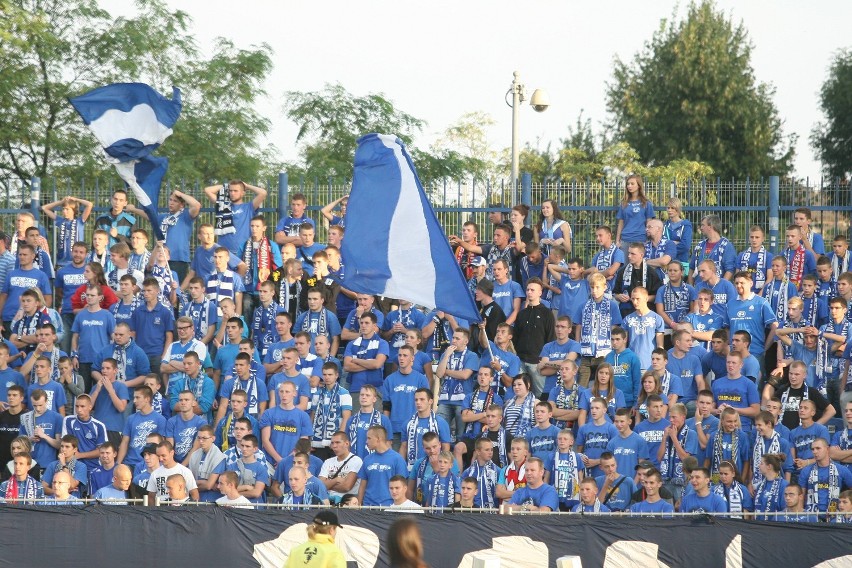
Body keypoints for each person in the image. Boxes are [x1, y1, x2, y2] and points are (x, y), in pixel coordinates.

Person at [203, 180, 267, 256]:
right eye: (230, 190)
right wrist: (225, 185)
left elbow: (263, 193)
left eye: (236, 191)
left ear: (243, 193)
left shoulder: (249, 207)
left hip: (244, 251)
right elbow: (207, 190)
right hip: (224, 252)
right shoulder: (222, 205)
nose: (232, 193)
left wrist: (247, 186)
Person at [260, 381, 312, 467]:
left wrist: (286, 461)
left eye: (287, 392)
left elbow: (303, 443)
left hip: (293, 462)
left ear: (294, 393)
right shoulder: (268, 413)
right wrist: (279, 460)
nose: (284, 395)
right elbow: (265, 440)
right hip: (269, 462)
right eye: (281, 391)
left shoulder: (303, 416)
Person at [799, 437, 852, 517]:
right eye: (813, 449)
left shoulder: (842, 470)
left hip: (835, 516)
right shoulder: (806, 471)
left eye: (818, 448)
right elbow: (801, 496)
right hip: (811, 516)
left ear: (827, 449)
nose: (815, 452)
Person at [357, 425, 408, 506]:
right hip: (368, 506)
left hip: (389, 506)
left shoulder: (397, 459)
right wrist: (359, 504)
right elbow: (362, 485)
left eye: (369, 438)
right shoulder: (367, 459)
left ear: (378, 439)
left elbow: (402, 486)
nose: (366, 441)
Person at [401, 388, 451, 469]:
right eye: (416, 400)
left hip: (433, 468)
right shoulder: (407, 423)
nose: (418, 402)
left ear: (430, 401)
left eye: (422, 399)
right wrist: (401, 467)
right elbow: (403, 447)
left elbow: (446, 448)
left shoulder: (441, 423)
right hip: (412, 468)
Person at [318, 431, 362, 504]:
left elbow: (346, 487)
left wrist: (329, 485)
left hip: (347, 503)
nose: (334, 446)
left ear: (347, 444)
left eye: (337, 442)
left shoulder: (356, 460)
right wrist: (336, 480)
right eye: (332, 443)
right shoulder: (328, 462)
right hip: (330, 501)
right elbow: (320, 486)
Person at [615, 175, 655, 254]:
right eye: (628, 184)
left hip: (641, 239)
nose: (629, 186)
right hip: (625, 239)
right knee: (624, 266)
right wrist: (617, 240)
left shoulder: (646, 203)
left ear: (639, 185)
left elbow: (649, 222)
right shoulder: (624, 203)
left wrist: (649, 239)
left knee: (639, 265)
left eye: (632, 184)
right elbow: (621, 223)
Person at [753, 452, 789, 520]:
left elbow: (785, 508)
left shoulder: (784, 485)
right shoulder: (760, 486)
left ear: (769, 466)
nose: (758, 466)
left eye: (761, 463)